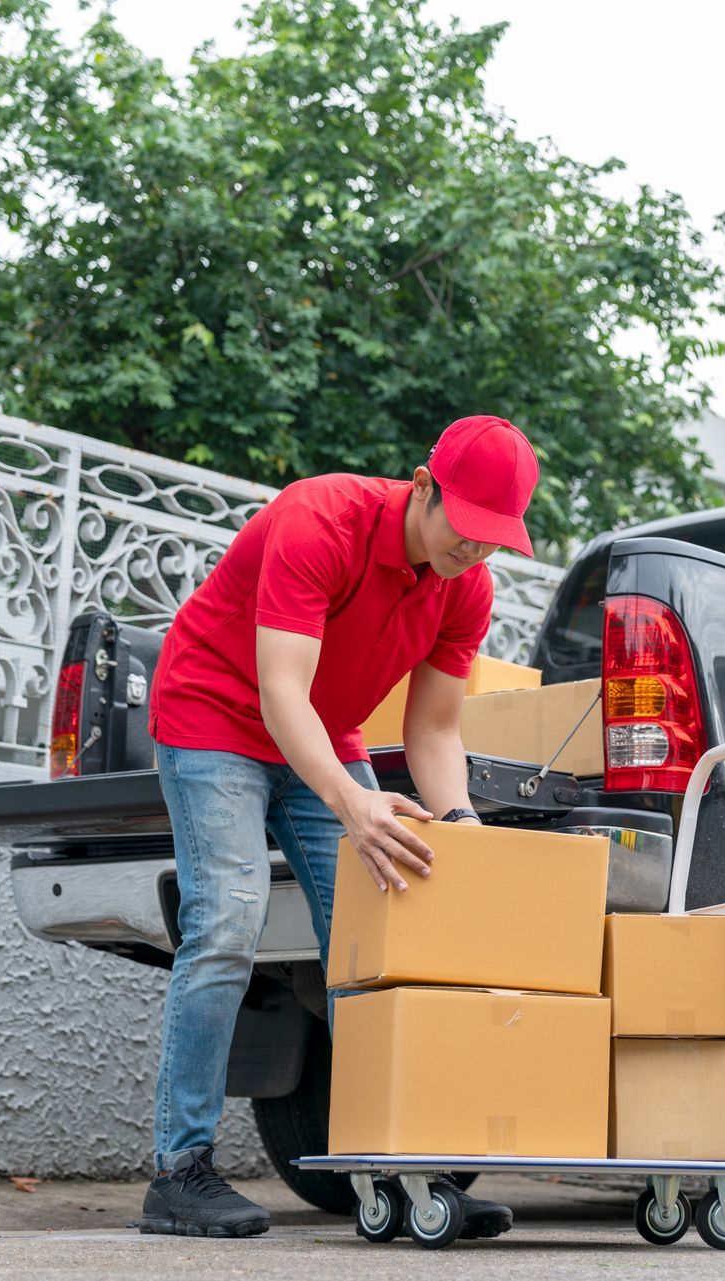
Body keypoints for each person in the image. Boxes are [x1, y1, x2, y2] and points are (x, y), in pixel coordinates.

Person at [136, 415, 540, 1238]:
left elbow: (433, 730)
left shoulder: (468, 587)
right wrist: (354, 804)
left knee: (383, 940)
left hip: (325, 735)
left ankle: (404, 1169)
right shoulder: (319, 519)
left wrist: (459, 823)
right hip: (216, 715)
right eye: (465, 529)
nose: (474, 551)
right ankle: (179, 1171)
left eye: (493, 538)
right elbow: (281, 689)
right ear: (423, 487)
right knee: (228, 922)